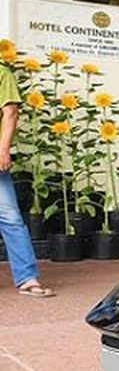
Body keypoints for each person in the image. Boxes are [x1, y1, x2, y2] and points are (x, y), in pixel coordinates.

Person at [0, 63, 54, 297]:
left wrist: (3, 149)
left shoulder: (2, 73)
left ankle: (27, 278)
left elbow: (11, 112)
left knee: (10, 217)